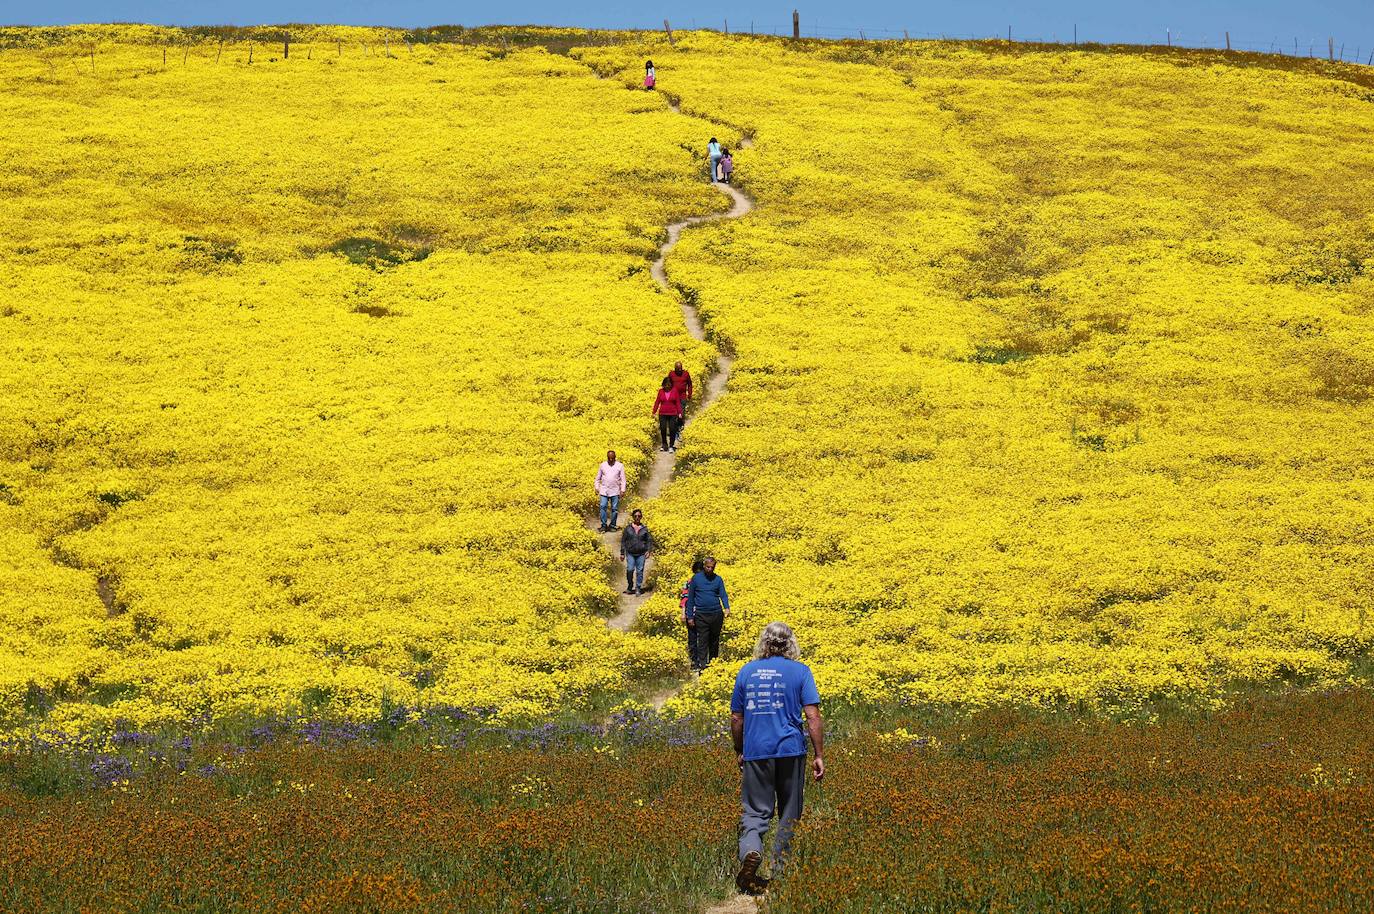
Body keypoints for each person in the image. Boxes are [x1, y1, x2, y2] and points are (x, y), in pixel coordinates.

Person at [730, 622, 824, 896]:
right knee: (789, 812)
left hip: (757, 750)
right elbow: (813, 716)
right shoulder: (801, 672)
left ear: (764, 643)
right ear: (790, 643)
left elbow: (737, 717)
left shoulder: (747, 671)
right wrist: (819, 755)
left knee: (755, 812)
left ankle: (751, 850)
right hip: (791, 750)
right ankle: (780, 873)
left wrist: (740, 749)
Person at [684, 556, 729, 672]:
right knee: (702, 641)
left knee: (714, 641)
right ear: (704, 566)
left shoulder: (718, 579)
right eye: (708, 567)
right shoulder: (696, 579)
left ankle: (714, 665)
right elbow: (691, 598)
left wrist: (727, 607)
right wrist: (690, 616)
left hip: (716, 614)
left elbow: (723, 594)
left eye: (712, 567)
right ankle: (703, 667)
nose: (710, 569)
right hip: (701, 614)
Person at [619, 509, 654, 595]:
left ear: (641, 517)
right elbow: (623, 541)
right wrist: (622, 553)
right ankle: (630, 586)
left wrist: (648, 551)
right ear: (633, 517)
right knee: (630, 569)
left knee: (640, 571)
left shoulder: (645, 529)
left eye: (639, 516)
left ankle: (638, 588)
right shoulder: (628, 528)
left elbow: (649, 540)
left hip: (641, 553)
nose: (637, 518)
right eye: (635, 516)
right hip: (630, 553)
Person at [594, 450, 626, 532]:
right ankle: (603, 525)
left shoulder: (620, 466)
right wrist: (597, 487)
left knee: (614, 509)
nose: (611, 460)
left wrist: (622, 490)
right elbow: (598, 478)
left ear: (615, 457)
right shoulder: (603, 465)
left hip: (615, 490)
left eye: (612, 458)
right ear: (607, 457)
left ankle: (612, 525)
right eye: (609, 458)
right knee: (603, 506)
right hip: (604, 490)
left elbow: (623, 479)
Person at [679, 559, 705, 659]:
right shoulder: (688, 583)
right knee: (693, 638)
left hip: (704, 613)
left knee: (703, 638)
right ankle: (694, 660)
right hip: (691, 614)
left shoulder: (707, 582)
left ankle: (702, 660)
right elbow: (684, 598)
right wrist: (683, 614)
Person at [652, 377, 683, 452]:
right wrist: (654, 411)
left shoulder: (674, 391)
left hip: (672, 413)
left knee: (672, 429)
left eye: (669, 385)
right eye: (666, 385)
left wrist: (680, 412)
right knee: (663, 429)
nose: (667, 386)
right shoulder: (660, 391)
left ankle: (671, 445)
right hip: (662, 413)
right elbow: (657, 402)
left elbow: (678, 403)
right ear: (663, 384)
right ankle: (664, 444)